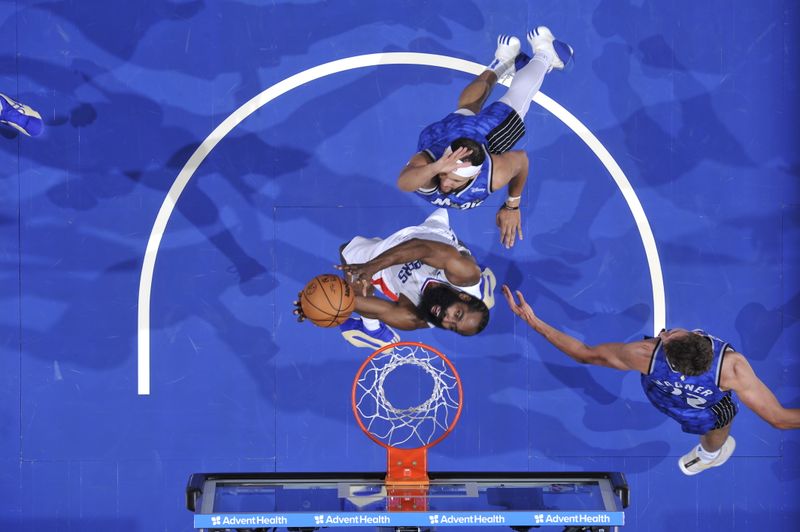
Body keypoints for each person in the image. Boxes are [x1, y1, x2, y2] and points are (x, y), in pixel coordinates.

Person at [502, 285, 800, 475]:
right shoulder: (732, 369)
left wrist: (535, 323)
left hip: (661, 394)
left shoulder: (645, 355)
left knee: (712, 418)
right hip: (696, 404)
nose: (663, 333)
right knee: (722, 415)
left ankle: (709, 453)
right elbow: (781, 420)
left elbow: (584, 354)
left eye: (667, 334)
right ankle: (711, 453)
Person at [397, 27, 574, 249]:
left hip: (462, 133)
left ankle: (523, 56)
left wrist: (512, 204)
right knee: (495, 105)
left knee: (487, 105)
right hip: (451, 135)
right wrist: (436, 168)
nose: (445, 183)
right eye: (445, 175)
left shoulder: (492, 173)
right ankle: (531, 55)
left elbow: (520, 161)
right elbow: (404, 182)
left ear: (474, 175)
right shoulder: (430, 168)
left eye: (453, 180)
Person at [293, 209, 493, 350]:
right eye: (457, 314)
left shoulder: (414, 318)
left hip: (392, 275)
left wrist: (316, 305)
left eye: (451, 326)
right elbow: (421, 247)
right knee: (468, 267)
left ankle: (371, 330)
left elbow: (351, 302)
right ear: (464, 298)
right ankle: (482, 289)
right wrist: (373, 266)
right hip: (430, 237)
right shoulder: (464, 275)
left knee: (347, 254)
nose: (447, 319)